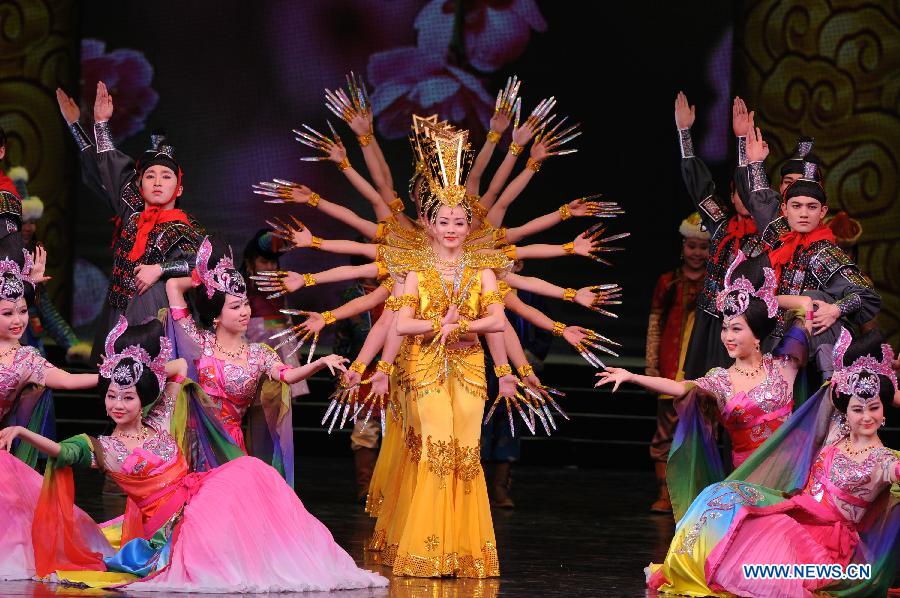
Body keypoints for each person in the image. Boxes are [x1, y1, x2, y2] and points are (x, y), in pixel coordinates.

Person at [0, 318, 387, 592]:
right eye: (112, 396)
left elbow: (181, 367)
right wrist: (23, 432)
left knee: (253, 472)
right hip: (174, 529)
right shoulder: (105, 447)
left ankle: (299, 561)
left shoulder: (163, 417)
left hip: (200, 494)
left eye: (128, 396)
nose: (117, 404)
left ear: (144, 398)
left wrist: (141, 369)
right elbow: (63, 451)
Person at [647, 328, 899, 597]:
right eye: (858, 409)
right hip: (796, 512)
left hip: (825, 546)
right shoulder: (838, 433)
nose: (866, 417)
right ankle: (687, 566)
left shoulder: (884, 461)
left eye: (874, 407)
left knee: (763, 564)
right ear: (846, 412)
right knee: (721, 493)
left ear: (885, 409)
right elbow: (839, 376)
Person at [597, 251, 811, 517]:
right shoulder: (721, 380)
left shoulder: (783, 365)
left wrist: (761, 302)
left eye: (736, 329)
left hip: (794, 473)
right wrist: (632, 376)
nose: (728, 337)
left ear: (757, 335)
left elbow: (805, 306)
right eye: (725, 328)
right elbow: (680, 388)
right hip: (751, 480)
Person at [166, 237, 347, 482]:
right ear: (216, 315)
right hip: (194, 445)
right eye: (235, 307)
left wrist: (319, 363)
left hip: (229, 449)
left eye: (246, 304)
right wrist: (205, 280)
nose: (244, 312)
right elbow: (173, 286)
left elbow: (288, 375)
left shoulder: (259, 354)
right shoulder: (199, 342)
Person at [56, 84, 204, 363]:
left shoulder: (185, 227)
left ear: (179, 189)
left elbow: (200, 265)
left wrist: (159, 268)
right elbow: (106, 168)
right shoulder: (131, 212)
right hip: (117, 311)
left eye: (166, 176)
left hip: (158, 311)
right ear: (139, 184)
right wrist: (94, 124)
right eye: (150, 176)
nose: (158, 182)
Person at [673, 92, 767, 381]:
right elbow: (699, 188)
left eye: (751, 193)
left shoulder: (770, 231)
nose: (745, 197)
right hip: (712, 323)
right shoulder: (721, 225)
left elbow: (749, 181)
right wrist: (684, 133)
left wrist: (743, 144)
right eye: (739, 193)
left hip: (749, 328)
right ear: (730, 196)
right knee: (703, 397)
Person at [0, 242, 99, 467]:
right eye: (7, 313)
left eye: (23, 311)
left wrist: (107, 375)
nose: (18, 320)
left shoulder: (26, 359)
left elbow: (69, 380)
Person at [645, 212, 709, 513]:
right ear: (683, 247)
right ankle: (665, 492)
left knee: (703, 430)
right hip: (671, 366)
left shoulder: (716, 284)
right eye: (691, 246)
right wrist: (651, 364)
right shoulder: (668, 282)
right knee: (666, 431)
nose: (696, 253)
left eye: (702, 247)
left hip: (704, 369)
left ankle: (697, 493)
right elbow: (655, 323)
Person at [240, 228, 309, 400]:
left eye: (273, 263)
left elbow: (286, 317)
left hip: (282, 342)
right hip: (255, 340)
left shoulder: (281, 286)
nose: (270, 267)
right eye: (264, 262)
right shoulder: (243, 287)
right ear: (250, 263)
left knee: (282, 397)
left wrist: (293, 344)